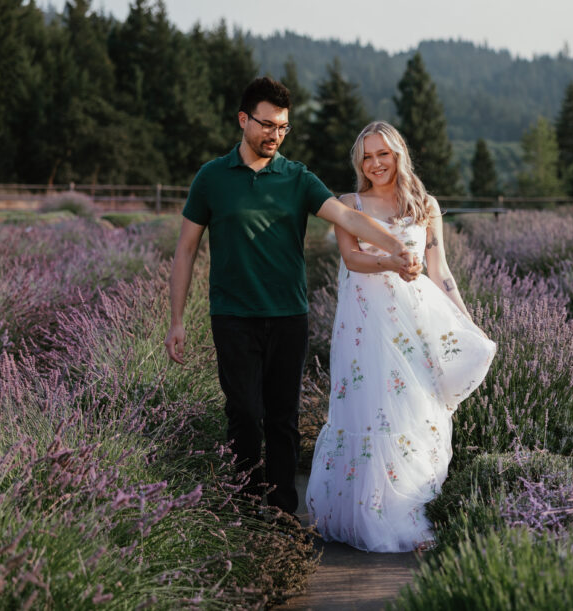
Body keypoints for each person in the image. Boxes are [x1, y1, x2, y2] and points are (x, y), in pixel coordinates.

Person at [164, 78, 421, 515]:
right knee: (244, 414)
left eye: (283, 128)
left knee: (283, 419)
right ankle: (246, 510)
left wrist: (397, 248)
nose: (274, 135)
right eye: (267, 125)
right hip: (232, 316)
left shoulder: (297, 177)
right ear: (243, 120)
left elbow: (347, 216)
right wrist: (177, 320)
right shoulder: (211, 177)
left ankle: (283, 514)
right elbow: (185, 249)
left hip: (288, 316)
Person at [305, 121, 496, 552]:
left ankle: (410, 512)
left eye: (383, 154)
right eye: (367, 156)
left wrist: (467, 322)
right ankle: (368, 517)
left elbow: (440, 270)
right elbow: (353, 260)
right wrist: (392, 263)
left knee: (415, 409)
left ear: (399, 155)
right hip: (364, 327)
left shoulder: (425, 205)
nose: (375, 163)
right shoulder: (348, 203)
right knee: (370, 410)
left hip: (413, 323)